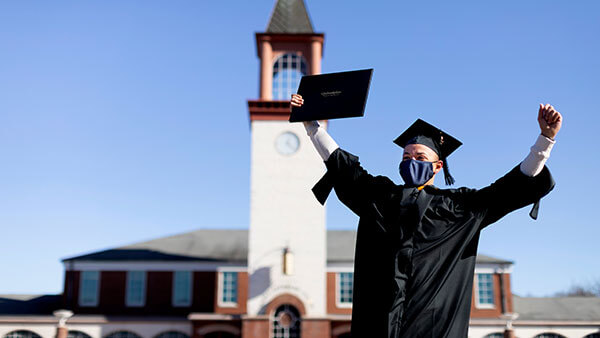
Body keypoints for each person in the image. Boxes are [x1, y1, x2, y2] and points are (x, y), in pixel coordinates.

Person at [290, 93, 562, 338]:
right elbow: (343, 166)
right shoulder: (381, 198)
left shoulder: (459, 208)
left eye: (420, 156)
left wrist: (544, 141)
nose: (411, 161)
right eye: (406, 156)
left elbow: (509, 188)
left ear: (437, 166)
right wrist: (311, 124)